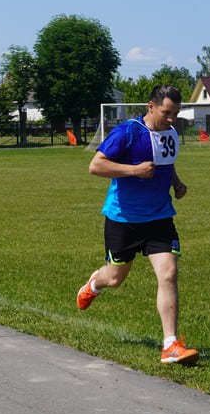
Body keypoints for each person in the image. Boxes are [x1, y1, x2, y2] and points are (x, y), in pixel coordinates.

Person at [75, 85, 199, 365]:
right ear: (151, 106)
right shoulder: (127, 132)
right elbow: (96, 166)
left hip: (159, 217)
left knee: (168, 273)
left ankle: (170, 344)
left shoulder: (170, 132)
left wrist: (175, 182)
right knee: (115, 278)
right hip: (124, 220)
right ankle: (95, 283)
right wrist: (134, 171)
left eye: (176, 114)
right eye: (167, 112)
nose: (172, 119)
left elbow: (164, 163)